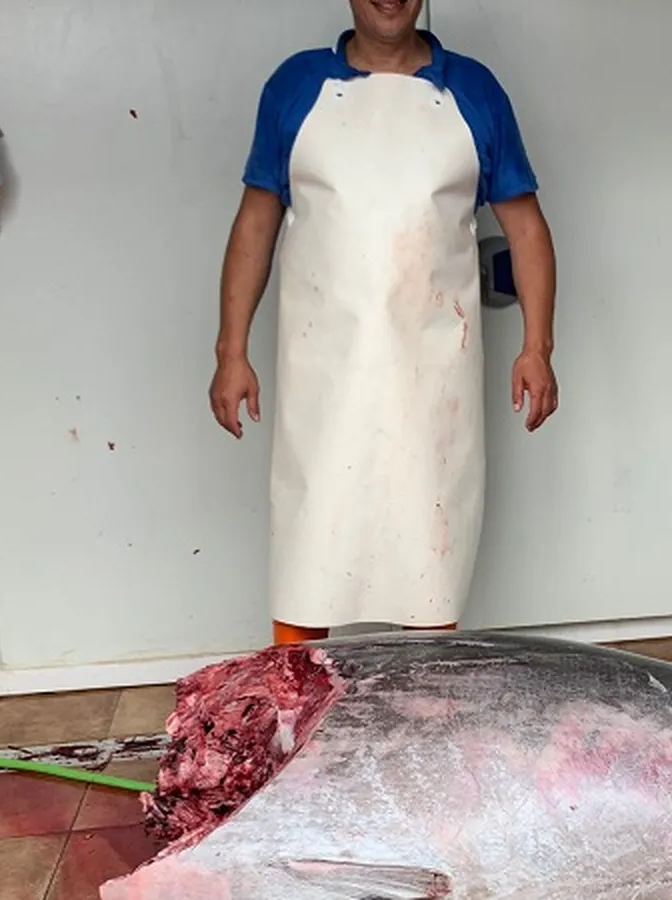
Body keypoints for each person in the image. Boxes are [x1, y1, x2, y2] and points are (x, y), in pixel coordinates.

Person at [209, 0, 559, 647]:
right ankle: (297, 700)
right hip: (322, 378)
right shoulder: (296, 88)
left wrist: (537, 347)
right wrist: (231, 351)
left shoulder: (474, 92)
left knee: (429, 554)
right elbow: (255, 224)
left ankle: (425, 701)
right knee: (310, 550)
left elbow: (527, 229)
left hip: (435, 380)